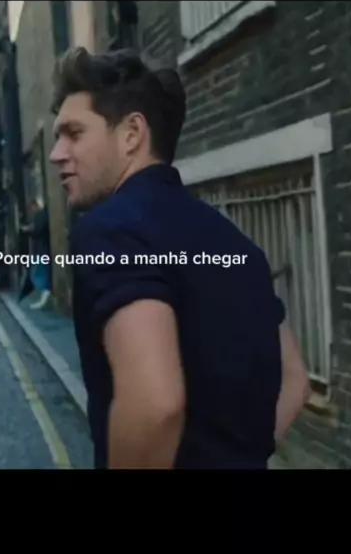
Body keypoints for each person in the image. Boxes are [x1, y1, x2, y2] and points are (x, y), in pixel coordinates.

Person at [49, 47, 311, 470]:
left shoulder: (111, 230)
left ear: (132, 133)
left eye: (74, 133)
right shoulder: (238, 246)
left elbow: (156, 405)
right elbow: (295, 382)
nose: (56, 153)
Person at [21, 199, 52, 309]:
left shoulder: (40, 215)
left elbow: (38, 230)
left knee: (38, 273)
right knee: (39, 272)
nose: (30, 212)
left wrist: (28, 230)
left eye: (30, 209)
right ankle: (45, 294)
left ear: (33, 207)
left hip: (41, 249)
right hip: (41, 249)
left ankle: (46, 293)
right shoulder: (41, 215)